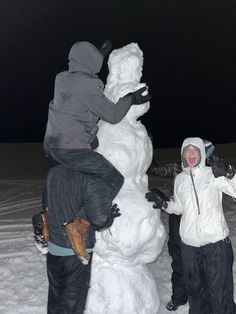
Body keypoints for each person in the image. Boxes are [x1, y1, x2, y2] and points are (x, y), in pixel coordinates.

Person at [38, 40, 151, 263]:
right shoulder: (91, 85)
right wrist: (131, 98)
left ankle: (48, 217)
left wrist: (96, 54)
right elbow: (113, 115)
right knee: (112, 177)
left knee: (60, 183)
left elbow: (75, 109)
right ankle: (81, 223)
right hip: (72, 149)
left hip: (52, 148)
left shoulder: (61, 79)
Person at [149, 137, 236, 313]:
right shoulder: (180, 179)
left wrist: (230, 174)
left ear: (202, 154)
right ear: (182, 154)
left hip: (216, 245)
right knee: (196, 292)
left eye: (194, 150)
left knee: (220, 293)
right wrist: (165, 205)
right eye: (186, 150)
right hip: (189, 247)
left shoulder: (213, 174)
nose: (190, 153)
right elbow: (180, 208)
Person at [45, 164, 121, 314]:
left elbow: (46, 203)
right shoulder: (89, 177)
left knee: (56, 298)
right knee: (73, 303)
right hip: (75, 251)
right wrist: (108, 215)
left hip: (55, 245)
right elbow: (99, 220)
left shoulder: (53, 171)